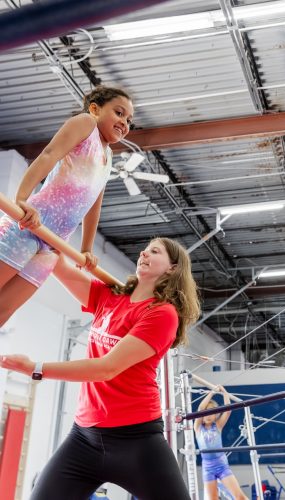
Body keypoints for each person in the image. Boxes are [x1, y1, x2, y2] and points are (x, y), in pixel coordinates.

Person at [0, 237, 199, 500]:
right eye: (145, 248)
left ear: (172, 268)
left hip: (136, 442)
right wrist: (44, 233)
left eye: (155, 251)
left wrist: (36, 368)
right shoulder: (110, 297)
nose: (143, 252)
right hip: (84, 439)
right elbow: (58, 266)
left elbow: (106, 368)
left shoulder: (162, 314)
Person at [0, 85, 134, 327]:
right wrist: (21, 199)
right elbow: (49, 154)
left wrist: (86, 249)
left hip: (53, 246)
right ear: (95, 109)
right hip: (30, 226)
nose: (124, 122)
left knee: (3, 312)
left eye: (129, 120)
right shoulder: (86, 124)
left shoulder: (109, 157)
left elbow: (94, 204)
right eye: (119, 112)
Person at [194, 385, 248, 500]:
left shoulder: (218, 426)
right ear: (201, 416)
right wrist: (212, 392)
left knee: (240, 497)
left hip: (222, 465)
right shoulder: (198, 428)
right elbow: (200, 408)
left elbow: (228, 410)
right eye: (206, 413)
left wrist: (224, 392)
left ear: (216, 415)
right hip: (208, 468)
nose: (208, 415)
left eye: (211, 413)